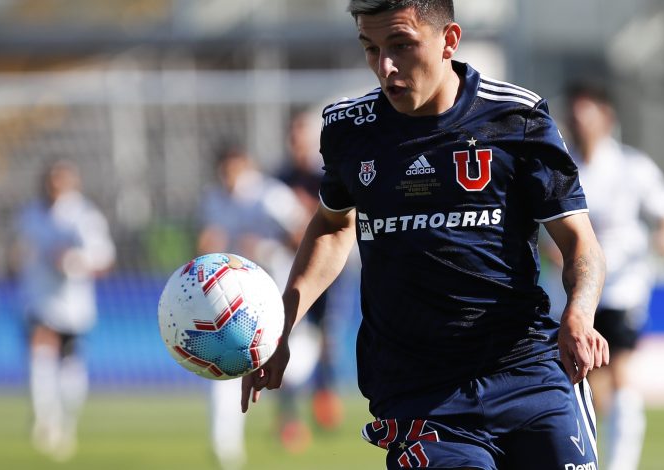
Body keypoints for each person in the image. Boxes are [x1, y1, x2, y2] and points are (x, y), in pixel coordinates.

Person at [241, 2, 610, 469]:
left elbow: (580, 243)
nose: (385, 67)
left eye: (401, 46)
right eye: (371, 48)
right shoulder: (349, 129)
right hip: (420, 394)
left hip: (527, 374)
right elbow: (334, 226)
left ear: (449, 40)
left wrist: (579, 314)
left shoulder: (516, 117)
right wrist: (282, 325)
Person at [562, 81, 664, 470]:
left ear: (606, 118)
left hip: (622, 287)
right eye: (574, 116)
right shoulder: (563, 167)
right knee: (587, 382)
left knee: (621, 371)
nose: (579, 124)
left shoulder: (632, 167)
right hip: (574, 291)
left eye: (586, 115)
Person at [197, 144, 310, 467]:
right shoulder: (213, 199)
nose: (229, 177)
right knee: (224, 365)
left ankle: (288, 416)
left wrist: (265, 248)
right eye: (224, 171)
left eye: (234, 169)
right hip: (233, 300)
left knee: (293, 365)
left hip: (273, 294)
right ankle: (225, 446)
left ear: (246, 166)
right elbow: (208, 241)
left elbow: (304, 233)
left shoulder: (269, 196)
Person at [11, 160, 115, 461]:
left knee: (71, 368)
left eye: (62, 180)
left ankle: (67, 423)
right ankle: (45, 419)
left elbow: (103, 258)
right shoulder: (30, 214)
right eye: (51, 180)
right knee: (39, 352)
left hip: (72, 304)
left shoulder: (84, 216)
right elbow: (19, 249)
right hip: (37, 298)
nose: (55, 186)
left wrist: (72, 260)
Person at [276, 112, 345, 434]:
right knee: (282, 336)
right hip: (289, 268)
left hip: (328, 270)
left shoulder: (326, 175)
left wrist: (307, 216)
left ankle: (325, 400)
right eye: (293, 136)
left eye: (301, 136)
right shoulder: (280, 179)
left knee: (326, 339)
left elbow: (337, 219)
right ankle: (289, 418)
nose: (297, 143)